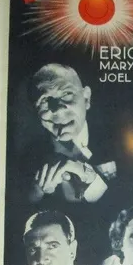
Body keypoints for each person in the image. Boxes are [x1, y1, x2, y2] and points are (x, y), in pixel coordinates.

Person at [27, 63, 117, 205]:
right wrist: (36, 193)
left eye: (67, 94)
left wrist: (92, 180)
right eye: (44, 100)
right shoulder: (27, 157)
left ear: (86, 99)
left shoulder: (119, 142)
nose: (58, 110)